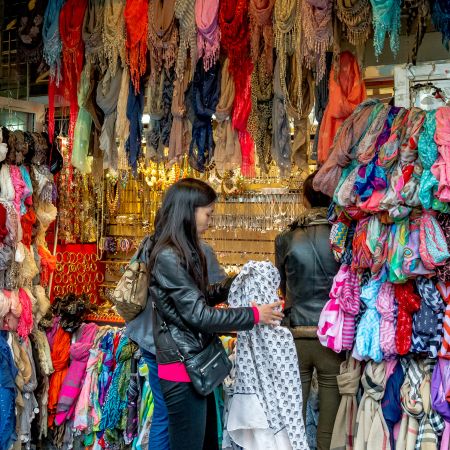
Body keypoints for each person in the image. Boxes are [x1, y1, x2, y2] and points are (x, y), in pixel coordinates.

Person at [146, 178, 283, 450]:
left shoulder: (183, 251)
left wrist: (234, 282)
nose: (211, 220)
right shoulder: (168, 256)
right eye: (208, 213)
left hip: (193, 363)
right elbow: (200, 316)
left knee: (207, 441)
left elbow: (197, 299)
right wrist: (255, 315)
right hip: (182, 365)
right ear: (189, 210)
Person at [126, 238, 227, 449]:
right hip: (176, 345)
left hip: (148, 336)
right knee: (182, 416)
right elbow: (214, 292)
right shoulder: (197, 249)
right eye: (206, 214)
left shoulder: (150, 244)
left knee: (163, 412)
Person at [275, 170, 343, 450]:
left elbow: (281, 286)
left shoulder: (286, 238)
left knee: (290, 421)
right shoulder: (344, 237)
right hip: (333, 336)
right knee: (329, 422)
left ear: (305, 198)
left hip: (295, 335)